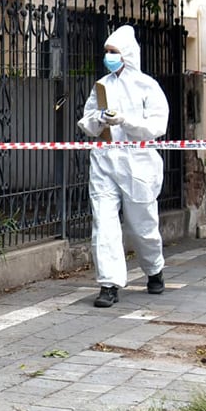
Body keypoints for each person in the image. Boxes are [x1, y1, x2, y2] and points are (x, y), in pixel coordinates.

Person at [76, 25, 170, 308]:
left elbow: (156, 126)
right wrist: (101, 119)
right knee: (103, 224)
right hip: (105, 161)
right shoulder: (101, 86)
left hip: (137, 163)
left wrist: (125, 121)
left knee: (142, 226)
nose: (108, 56)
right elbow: (87, 123)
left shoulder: (147, 86)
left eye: (113, 52)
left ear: (126, 54)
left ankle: (154, 269)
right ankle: (109, 284)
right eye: (106, 52)